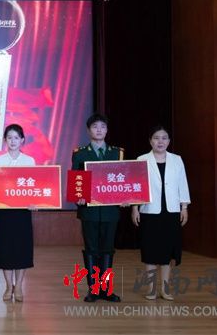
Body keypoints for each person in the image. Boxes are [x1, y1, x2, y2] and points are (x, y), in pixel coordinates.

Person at [131, 126, 190, 301]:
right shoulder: (142, 159)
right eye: (156, 138)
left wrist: (184, 207)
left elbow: (182, 184)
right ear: (150, 141)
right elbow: (136, 186)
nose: (160, 141)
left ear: (169, 141)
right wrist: (135, 208)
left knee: (167, 253)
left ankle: (165, 289)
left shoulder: (177, 160)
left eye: (164, 138)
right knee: (150, 251)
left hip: (171, 211)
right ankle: (151, 289)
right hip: (149, 211)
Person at [72, 113, 123, 302]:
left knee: (108, 249)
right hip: (89, 210)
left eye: (102, 126)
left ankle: (107, 290)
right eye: (95, 127)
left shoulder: (117, 153)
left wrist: (126, 197)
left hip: (110, 210)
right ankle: (93, 289)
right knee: (91, 249)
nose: (99, 130)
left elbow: (123, 180)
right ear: (88, 130)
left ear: (107, 130)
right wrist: (77, 197)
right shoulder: (80, 153)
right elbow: (76, 180)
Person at [0, 124, 35, 302]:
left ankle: (19, 286)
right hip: (4, 212)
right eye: (9, 138)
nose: (13, 141)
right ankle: (9, 286)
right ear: (4, 141)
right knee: (5, 249)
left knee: (21, 249)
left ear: (22, 140)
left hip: (22, 213)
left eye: (16, 138)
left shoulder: (29, 161)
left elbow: (34, 187)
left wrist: (35, 202)